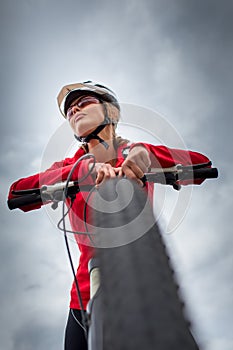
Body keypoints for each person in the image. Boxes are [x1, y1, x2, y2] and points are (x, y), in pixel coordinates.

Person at [8, 81, 211, 350]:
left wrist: (147, 155)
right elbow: (16, 193)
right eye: (69, 110)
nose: (74, 110)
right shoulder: (70, 166)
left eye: (84, 102)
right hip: (84, 294)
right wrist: (81, 171)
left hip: (144, 268)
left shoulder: (134, 152)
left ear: (111, 113)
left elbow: (201, 163)